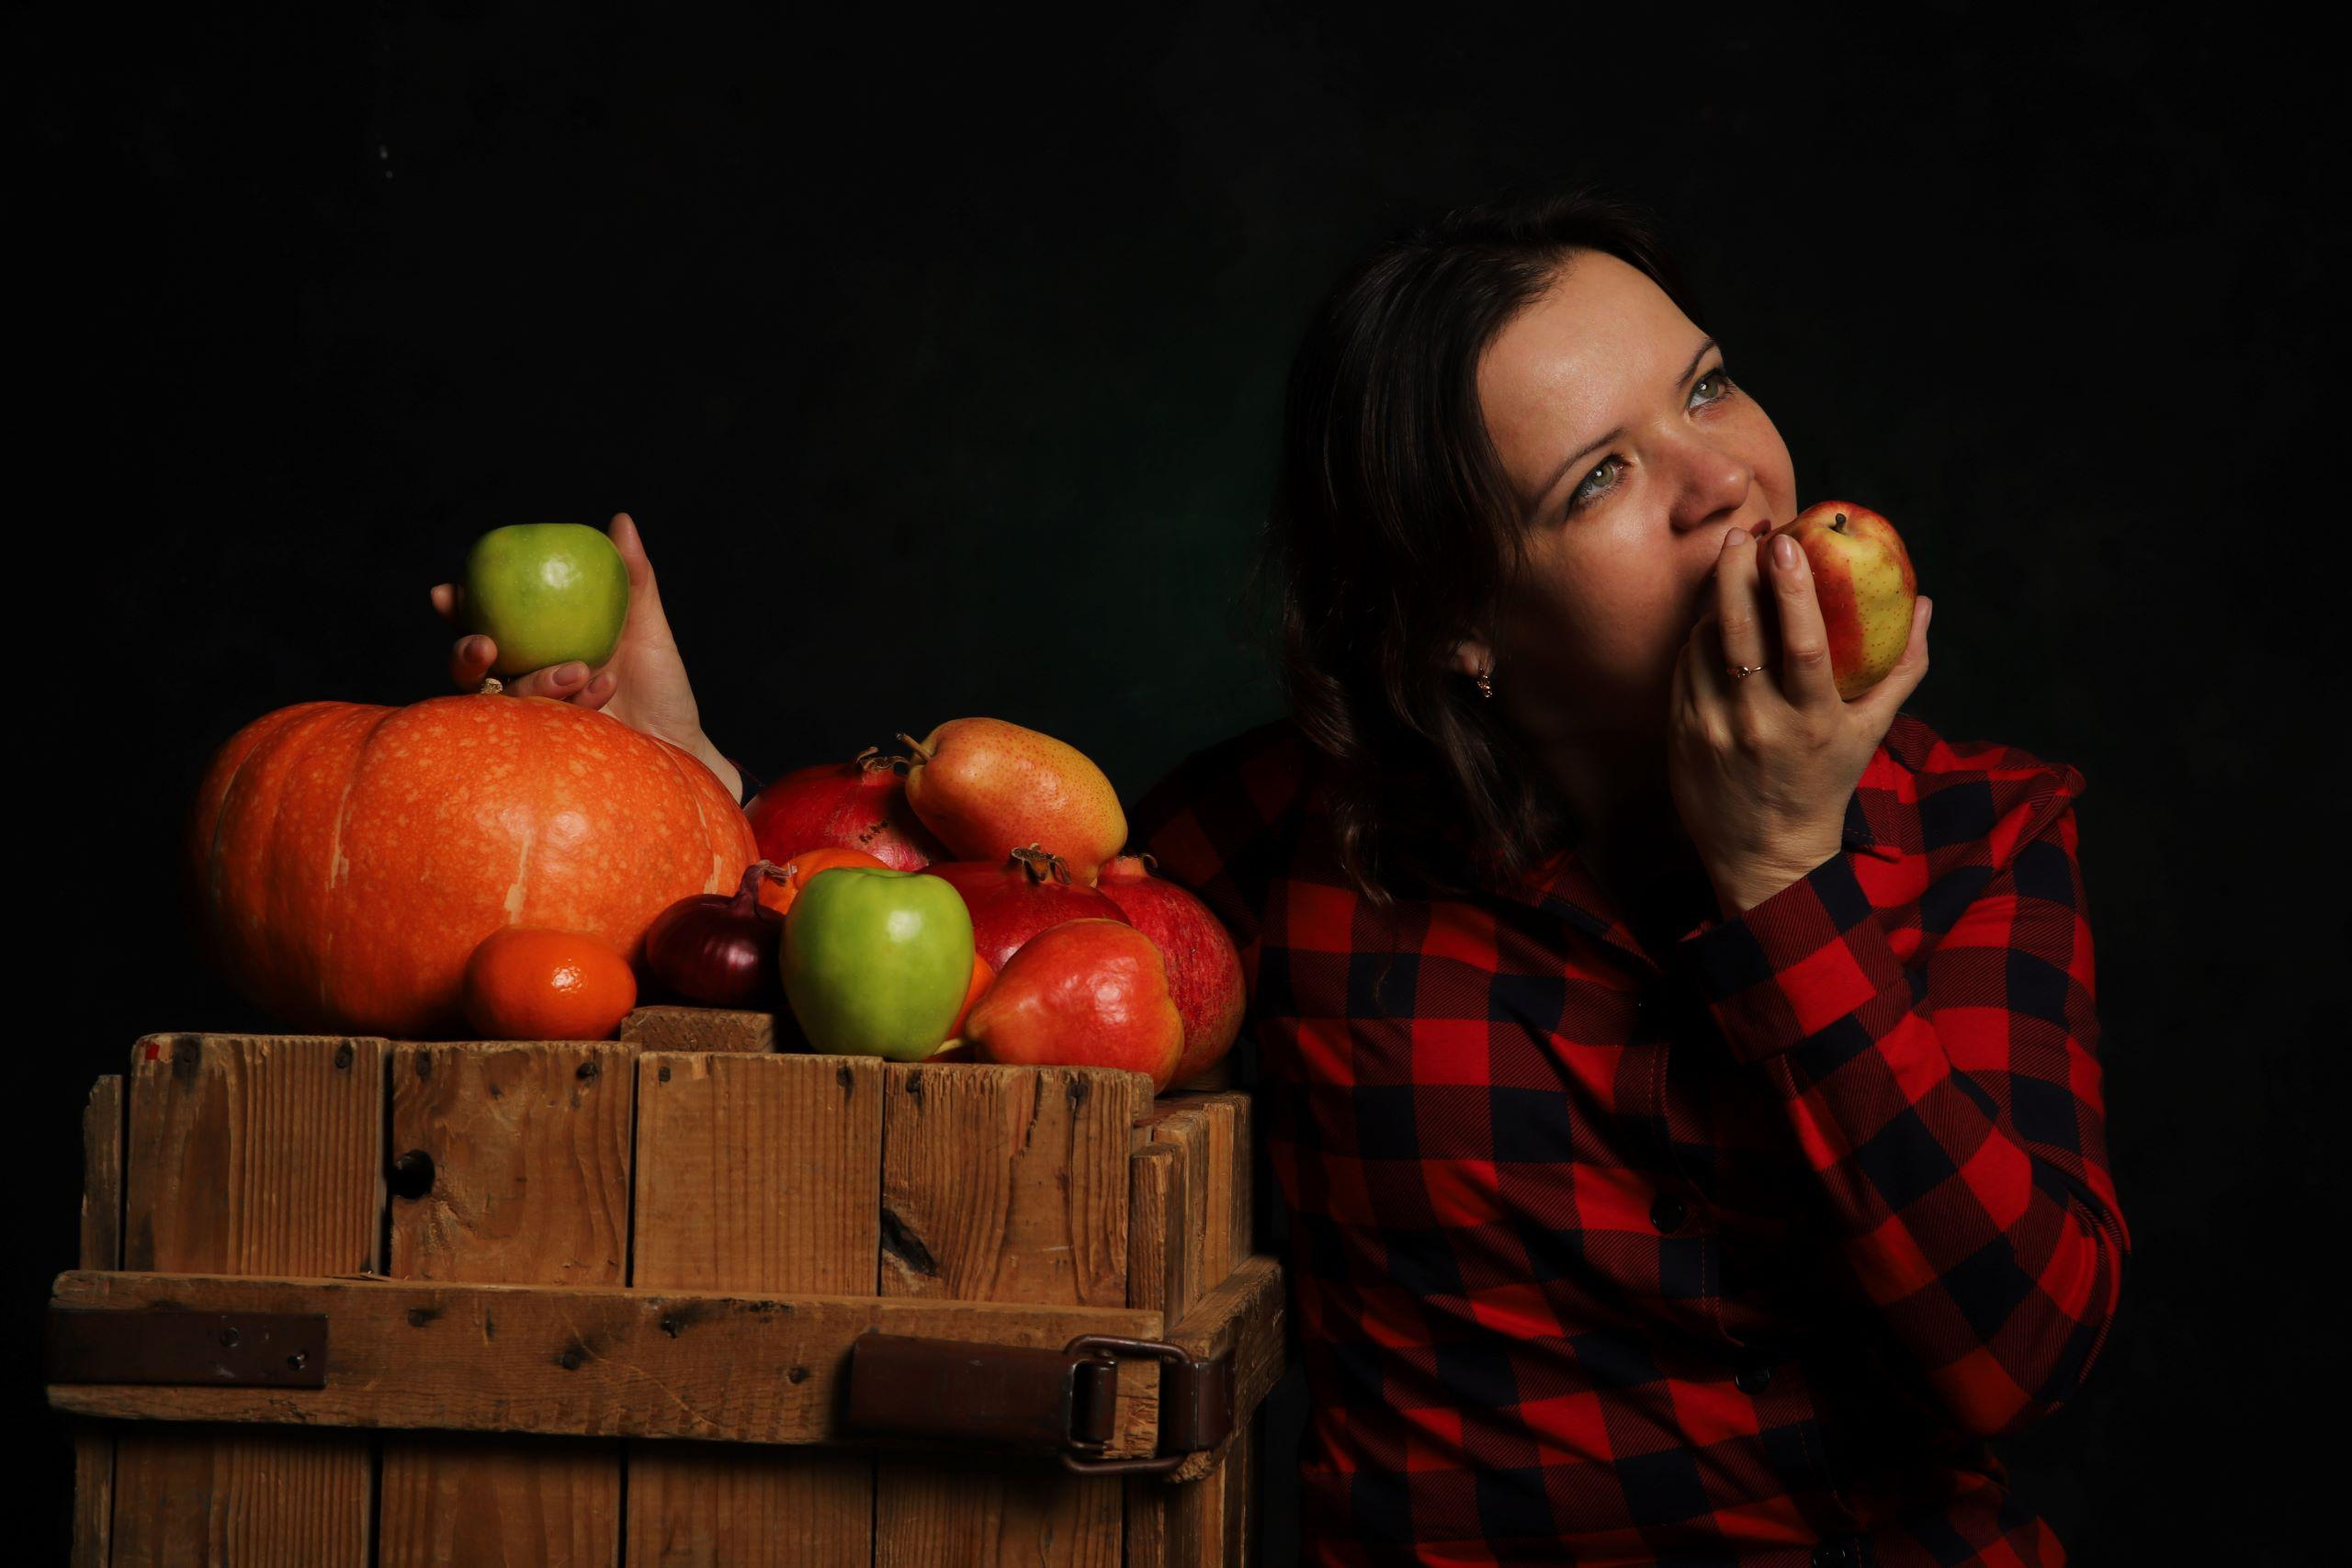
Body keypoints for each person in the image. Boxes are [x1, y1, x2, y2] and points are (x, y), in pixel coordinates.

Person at [431, 183, 2131, 1568]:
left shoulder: (1981, 835)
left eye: (1703, 386)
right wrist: (668, 780)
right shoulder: (1297, 845)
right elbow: (903, 978)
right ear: (1455, 627)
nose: (1725, 481)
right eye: (1599, 477)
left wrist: (1784, 877)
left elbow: (2016, 1361)